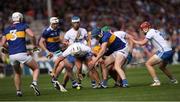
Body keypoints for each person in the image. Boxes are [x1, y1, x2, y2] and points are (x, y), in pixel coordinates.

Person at [0, 12, 40, 96]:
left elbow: (2, 43)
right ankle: (34, 83)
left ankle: (18, 91)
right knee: (36, 68)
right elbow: (32, 35)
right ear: (20, 18)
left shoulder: (6, 29)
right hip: (22, 53)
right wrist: (34, 46)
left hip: (12, 56)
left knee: (17, 73)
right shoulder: (23, 26)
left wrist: (9, 48)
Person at [131, 21, 178, 86]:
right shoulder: (154, 31)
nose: (142, 31)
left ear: (146, 28)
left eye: (142, 29)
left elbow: (143, 43)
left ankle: (156, 81)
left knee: (148, 64)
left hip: (164, 51)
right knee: (162, 67)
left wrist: (134, 41)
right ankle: (174, 80)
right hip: (168, 50)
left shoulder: (150, 32)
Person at [63, 16, 100, 88]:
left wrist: (89, 47)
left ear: (79, 23)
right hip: (75, 53)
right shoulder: (68, 33)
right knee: (77, 68)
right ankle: (78, 83)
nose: (76, 24)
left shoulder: (83, 30)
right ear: (72, 23)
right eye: (74, 23)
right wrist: (67, 45)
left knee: (91, 66)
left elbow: (88, 39)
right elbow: (65, 42)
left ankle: (97, 83)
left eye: (77, 23)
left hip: (84, 51)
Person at [39, 17, 74, 92]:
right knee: (61, 64)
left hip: (58, 51)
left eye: (56, 24)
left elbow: (57, 39)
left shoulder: (58, 30)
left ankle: (71, 82)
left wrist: (63, 42)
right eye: (54, 24)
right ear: (51, 23)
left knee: (69, 66)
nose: (55, 25)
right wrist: (47, 51)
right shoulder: (46, 32)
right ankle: (54, 79)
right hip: (52, 52)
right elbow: (40, 42)